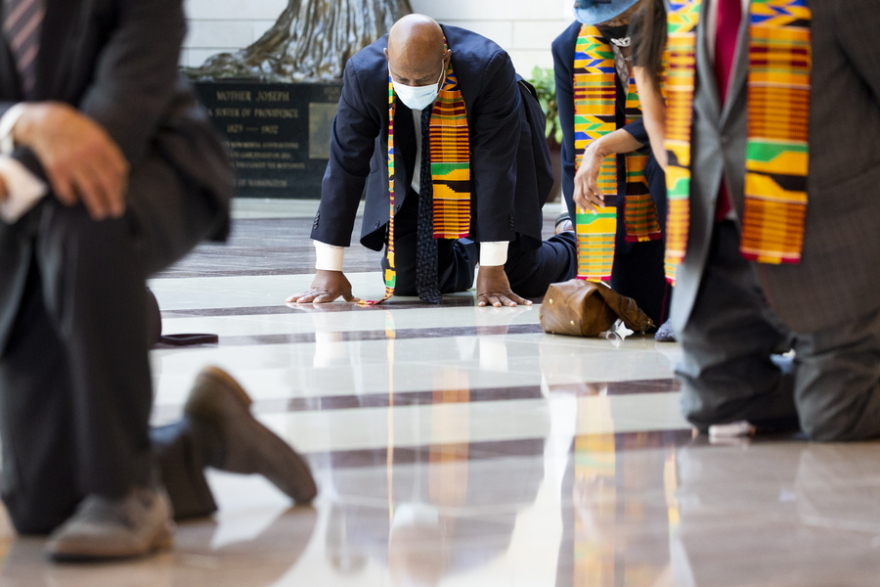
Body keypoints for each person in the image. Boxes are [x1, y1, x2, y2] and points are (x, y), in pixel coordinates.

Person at [0, 0, 316, 561]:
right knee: (40, 508)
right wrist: (22, 125)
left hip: (150, 160)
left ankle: (124, 495)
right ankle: (206, 436)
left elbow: (122, 105)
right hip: (21, 196)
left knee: (84, 214)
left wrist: (24, 174)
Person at [656, 0, 880, 440]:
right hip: (721, 239)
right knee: (714, 403)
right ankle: (826, 378)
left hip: (832, 235)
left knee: (837, 418)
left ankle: (834, 380)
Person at [289, 14, 577, 308]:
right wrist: (328, 268)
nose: (412, 87)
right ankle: (467, 246)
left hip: (485, 167)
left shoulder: (488, 66)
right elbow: (344, 167)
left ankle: (572, 241)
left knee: (517, 278)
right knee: (409, 282)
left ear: (446, 57)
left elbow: (495, 169)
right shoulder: (363, 73)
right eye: (402, 78)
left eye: (424, 79)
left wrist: (492, 269)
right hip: (416, 180)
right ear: (388, 57)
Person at [552, 0, 674, 339]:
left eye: (625, 15)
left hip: (671, 182)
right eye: (607, 22)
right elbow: (574, 151)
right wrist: (585, 229)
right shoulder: (568, 47)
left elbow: (675, 118)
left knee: (663, 169)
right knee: (641, 310)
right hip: (621, 202)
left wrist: (601, 146)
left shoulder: (680, 30)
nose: (618, 24)